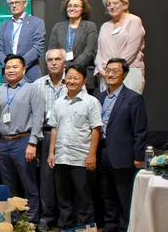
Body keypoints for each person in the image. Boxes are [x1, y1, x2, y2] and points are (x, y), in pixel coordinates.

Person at [0, 54, 45, 224]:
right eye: (8, 67)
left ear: (24, 69)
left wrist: (33, 143)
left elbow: (38, 118)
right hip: (3, 143)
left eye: (15, 67)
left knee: (29, 184)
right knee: (9, 185)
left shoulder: (32, 90)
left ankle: (31, 222)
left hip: (23, 141)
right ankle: (13, 220)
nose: (11, 70)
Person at [47, 64, 102, 230]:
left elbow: (96, 128)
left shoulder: (91, 102)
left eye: (76, 78)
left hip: (81, 158)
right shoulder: (58, 103)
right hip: (62, 157)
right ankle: (65, 227)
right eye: (69, 77)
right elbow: (54, 128)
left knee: (83, 197)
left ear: (84, 80)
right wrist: (51, 152)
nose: (71, 81)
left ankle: (85, 228)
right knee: (63, 198)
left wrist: (92, 154)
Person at [96, 58, 147, 232]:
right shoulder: (99, 97)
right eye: (108, 70)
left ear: (124, 74)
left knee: (124, 195)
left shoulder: (133, 98)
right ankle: (110, 225)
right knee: (106, 192)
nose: (110, 74)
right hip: (101, 152)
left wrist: (139, 157)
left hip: (123, 155)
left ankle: (125, 226)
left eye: (115, 71)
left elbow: (140, 130)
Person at [33, 49, 67, 231]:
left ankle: (65, 218)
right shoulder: (38, 84)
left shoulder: (73, 83)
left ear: (64, 63)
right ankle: (46, 217)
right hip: (45, 135)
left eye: (58, 59)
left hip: (69, 136)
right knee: (46, 178)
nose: (54, 63)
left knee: (65, 178)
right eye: (50, 60)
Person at [95, 0, 145, 94]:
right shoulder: (105, 26)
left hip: (128, 73)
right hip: (106, 75)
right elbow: (99, 52)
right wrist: (103, 71)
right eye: (108, 4)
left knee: (127, 107)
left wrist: (114, 69)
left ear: (125, 4)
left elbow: (131, 50)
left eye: (115, 3)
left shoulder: (134, 21)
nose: (112, 6)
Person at [48, 0, 98, 92]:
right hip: (60, 76)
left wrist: (70, 69)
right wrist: (61, 66)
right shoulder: (58, 27)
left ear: (83, 9)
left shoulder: (90, 26)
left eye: (76, 6)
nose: (72, 8)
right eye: (69, 6)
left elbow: (89, 52)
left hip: (83, 74)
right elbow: (52, 50)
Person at [0, 0, 46, 82]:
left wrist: (19, 64)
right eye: (11, 3)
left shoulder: (37, 23)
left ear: (25, 3)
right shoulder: (3, 25)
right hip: (7, 77)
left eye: (17, 2)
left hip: (29, 75)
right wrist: (9, 66)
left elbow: (37, 48)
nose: (14, 6)